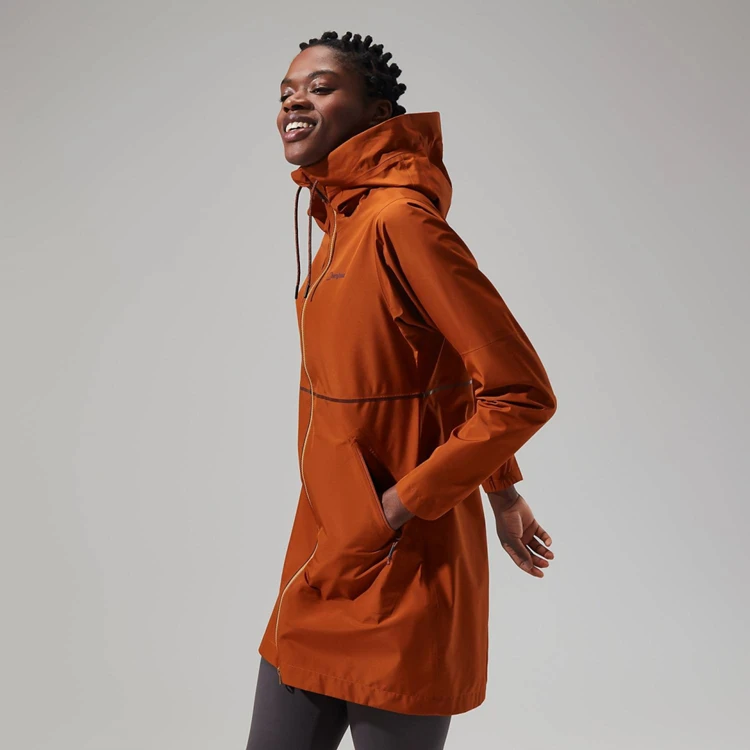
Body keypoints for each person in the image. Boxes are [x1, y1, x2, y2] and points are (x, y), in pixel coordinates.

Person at [245, 30, 558, 750]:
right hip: (322, 554)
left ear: (377, 111)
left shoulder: (401, 222)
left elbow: (519, 390)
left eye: (321, 87)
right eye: (287, 92)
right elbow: (441, 371)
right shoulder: (339, 220)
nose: (295, 102)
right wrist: (504, 491)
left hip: (404, 563)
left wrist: (395, 510)